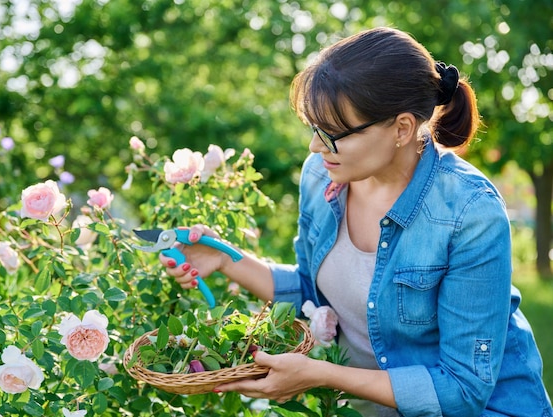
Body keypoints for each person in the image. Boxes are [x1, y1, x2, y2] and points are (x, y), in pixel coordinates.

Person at [160, 27, 553, 417]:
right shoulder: (322, 176)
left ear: (400, 128)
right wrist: (226, 259)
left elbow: (462, 390)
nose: (315, 147)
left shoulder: (469, 212)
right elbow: (312, 292)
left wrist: (322, 375)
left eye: (331, 134)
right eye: (314, 129)